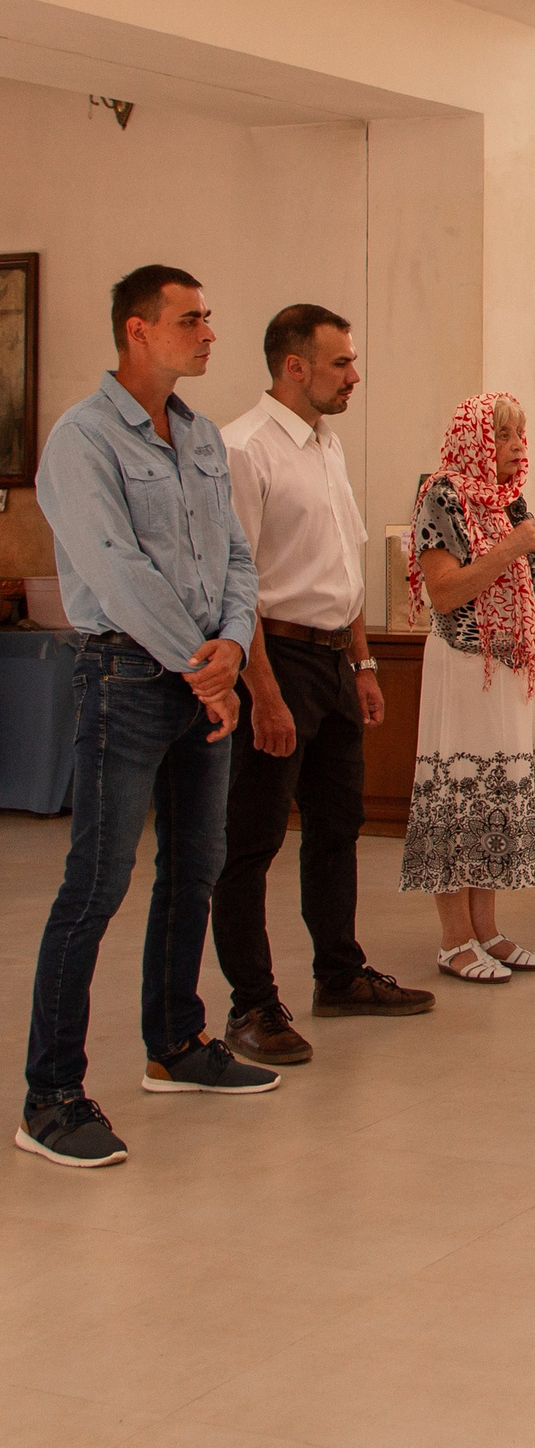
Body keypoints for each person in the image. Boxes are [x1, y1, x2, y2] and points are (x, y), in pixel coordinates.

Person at [20, 268, 276, 1170]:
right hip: (127, 675)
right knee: (95, 882)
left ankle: (175, 1043)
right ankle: (50, 1093)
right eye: (190, 318)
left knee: (196, 864)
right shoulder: (81, 439)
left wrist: (233, 648)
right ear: (137, 330)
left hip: (203, 670)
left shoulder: (200, 434)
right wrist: (206, 668)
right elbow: (118, 570)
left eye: (209, 314)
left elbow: (238, 556)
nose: (209, 331)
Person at [215, 305, 432, 1063]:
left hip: (335, 659)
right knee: (253, 838)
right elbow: (234, 585)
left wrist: (365, 661)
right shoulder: (243, 448)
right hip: (274, 660)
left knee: (337, 828)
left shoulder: (327, 444)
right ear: (295, 366)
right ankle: (251, 1004)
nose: (355, 375)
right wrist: (262, 692)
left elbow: (345, 563)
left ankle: (338, 973)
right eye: (341, 362)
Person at [403, 393, 535, 980]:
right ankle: (453, 940)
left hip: (512, 668)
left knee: (495, 796)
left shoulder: (505, 499)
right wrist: (510, 548)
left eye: (520, 435)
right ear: (475, 441)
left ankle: (487, 930)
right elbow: (444, 592)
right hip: (465, 666)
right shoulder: (441, 494)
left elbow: (528, 597)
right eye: (503, 436)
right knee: (461, 791)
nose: (517, 447)